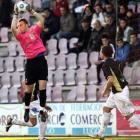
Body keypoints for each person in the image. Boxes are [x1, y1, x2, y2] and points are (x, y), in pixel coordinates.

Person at [89, 45, 140, 140]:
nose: (100, 52)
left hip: (119, 92)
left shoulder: (105, 65)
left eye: (100, 50)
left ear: (102, 54)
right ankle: (101, 133)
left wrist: (104, 90)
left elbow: (111, 80)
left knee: (128, 116)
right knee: (106, 109)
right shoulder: (116, 61)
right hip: (118, 89)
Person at [12, 3, 48, 123]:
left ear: (27, 24)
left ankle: (42, 111)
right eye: (18, 25)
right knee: (29, 89)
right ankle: (27, 109)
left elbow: (42, 19)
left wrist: (32, 11)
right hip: (31, 63)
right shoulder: (21, 37)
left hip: (41, 60)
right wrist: (15, 15)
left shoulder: (35, 31)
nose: (19, 27)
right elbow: (12, 28)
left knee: (43, 87)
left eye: (21, 25)